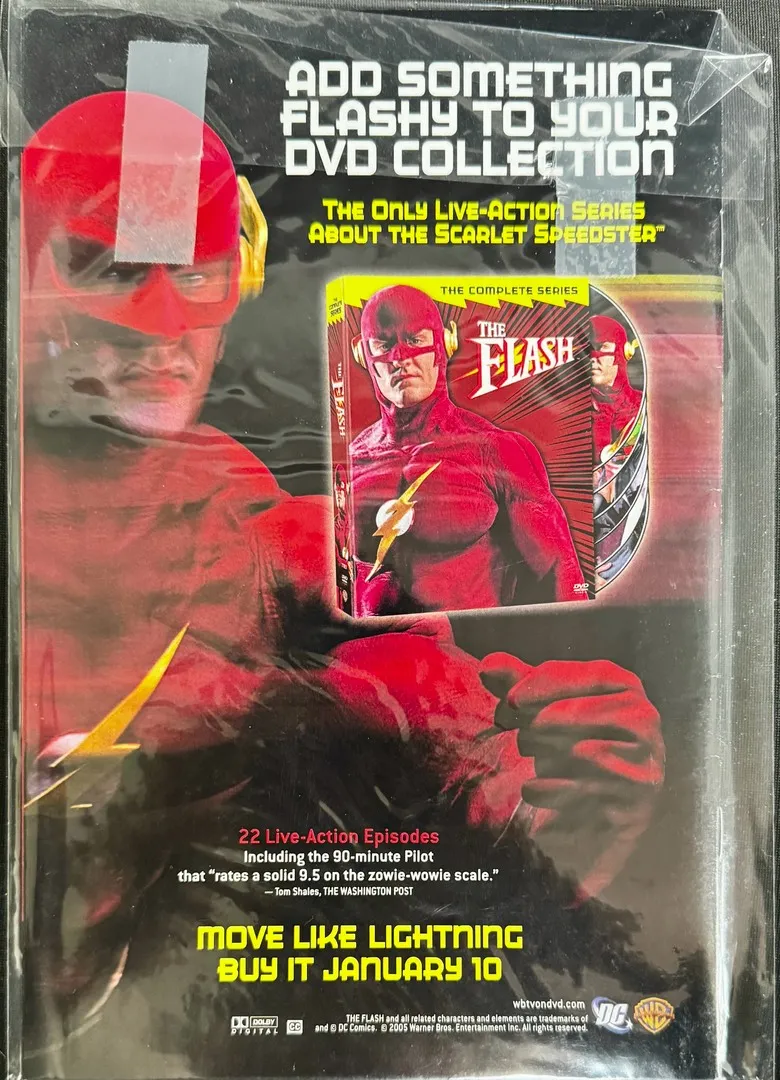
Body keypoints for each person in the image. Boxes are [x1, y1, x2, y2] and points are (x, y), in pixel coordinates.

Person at [20, 91, 663, 1045]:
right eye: (109, 271)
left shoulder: (267, 524)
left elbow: (445, 772)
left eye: (196, 273)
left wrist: (541, 826)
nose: (162, 327)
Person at [348, 285, 587, 615]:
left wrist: (573, 642)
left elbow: (562, 572)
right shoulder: (352, 463)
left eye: (414, 339)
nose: (400, 357)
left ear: (444, 345)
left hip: (476, 645)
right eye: (384, 345)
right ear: (363, 354)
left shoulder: (496, 450)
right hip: (375, 646)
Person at [591, 313, 643, 465]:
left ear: (623, 352)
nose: (591, 358)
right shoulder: (573, 411)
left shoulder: (644, 406)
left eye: (601, 347)